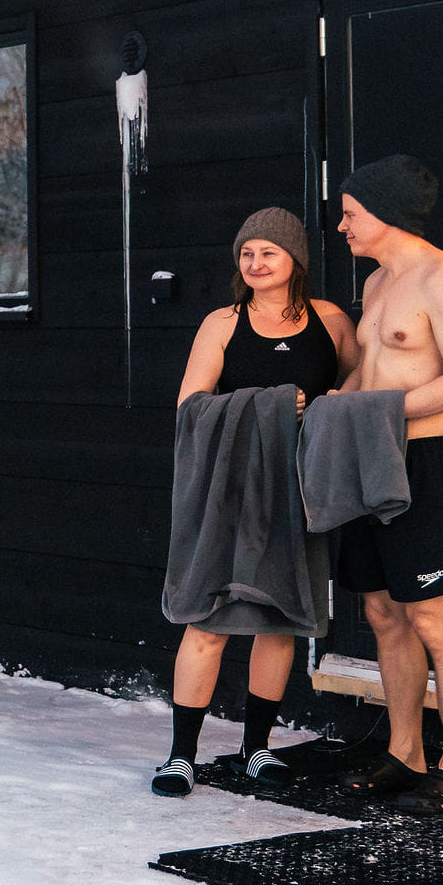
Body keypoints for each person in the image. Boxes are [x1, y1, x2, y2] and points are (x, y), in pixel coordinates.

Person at [152, 207, 357, 796]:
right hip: (228, 491)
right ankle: (181, 755)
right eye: (247, 253)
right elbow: (189, 406)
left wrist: (322, 406)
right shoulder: (223, 322)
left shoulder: (331, 321)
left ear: (295, 258)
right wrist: (269, 404)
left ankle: (257, 749)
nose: (256, 263)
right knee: (207, 619)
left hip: (300, 490)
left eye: (269, 252)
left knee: (281, 621)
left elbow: (354, 388)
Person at [332, 155, 443, 816]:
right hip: (367, 461)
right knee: (382, 614)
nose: (341, 226)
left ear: (386, 214)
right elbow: (368, 377)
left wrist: (377, 412)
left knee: (433, 617)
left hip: (420, 462)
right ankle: (405, 753)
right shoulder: (376, 282)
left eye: (351, 214)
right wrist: (326, 409)